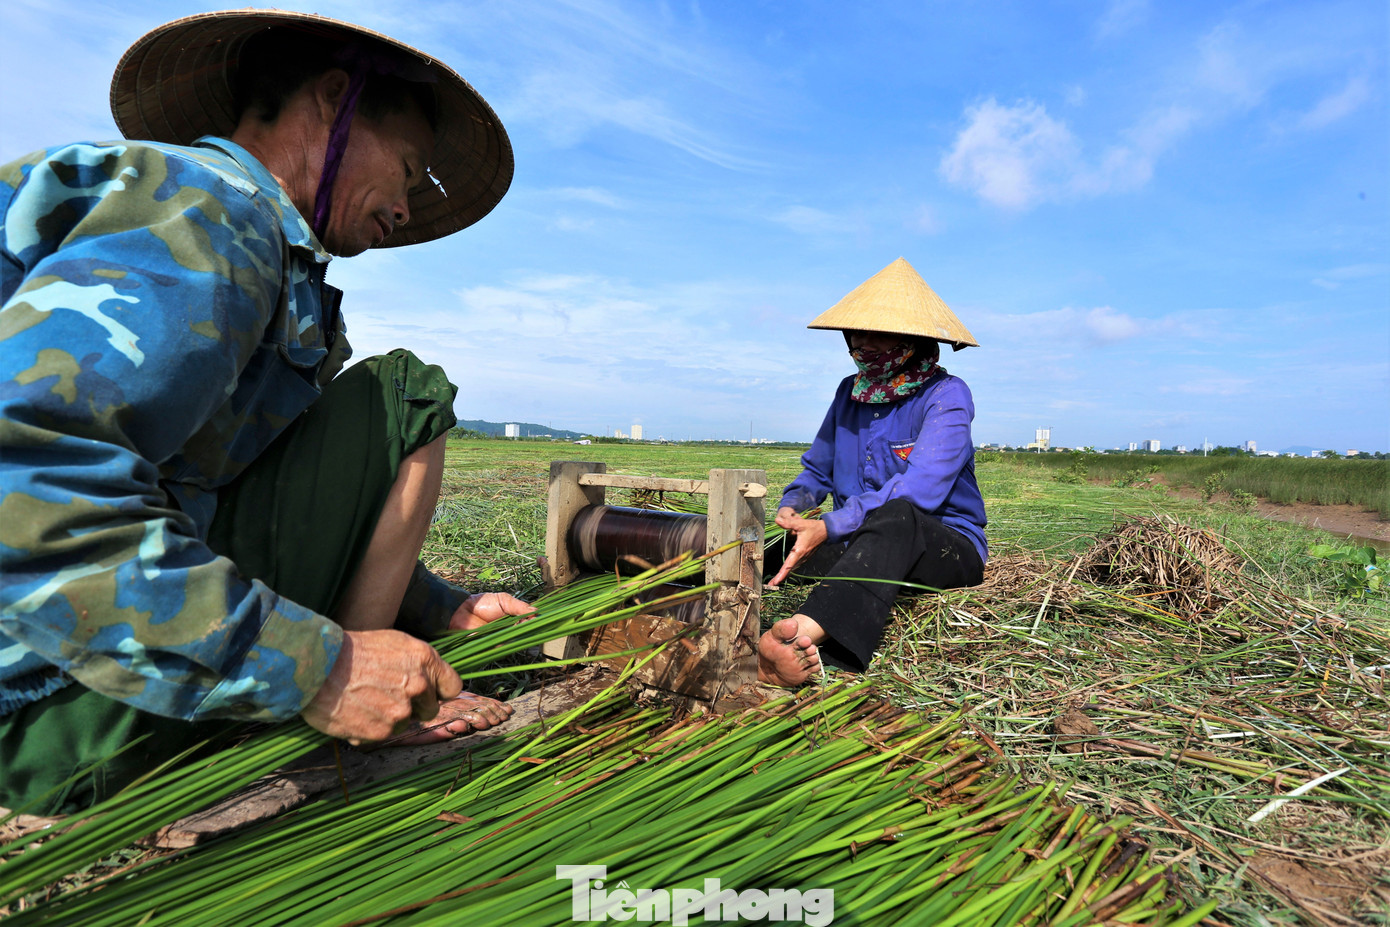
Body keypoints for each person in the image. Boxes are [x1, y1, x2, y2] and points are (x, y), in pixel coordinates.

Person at [0, 10, 526, 814]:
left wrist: (435, 603)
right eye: (408, 170)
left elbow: (248, 483)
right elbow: (23, 477)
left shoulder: (228, 229)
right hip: (49, 703)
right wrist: (322, 667)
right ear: (334, 98)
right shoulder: (213, 217)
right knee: (408, 393)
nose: (405, 207)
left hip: (70, 668)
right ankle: (350, 726)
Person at [756, 258, 988, 687]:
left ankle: (799, 638)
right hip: (859, 544)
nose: (863, 343)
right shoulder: (850, 391)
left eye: (877, 333)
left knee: (896, 515)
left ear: (912, 339)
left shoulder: (947, 395)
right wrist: (794, 507)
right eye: (856, 333)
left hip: (941, 547)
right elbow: (818, 469)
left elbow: (920, 491)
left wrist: (830, 525)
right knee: (767, 549)